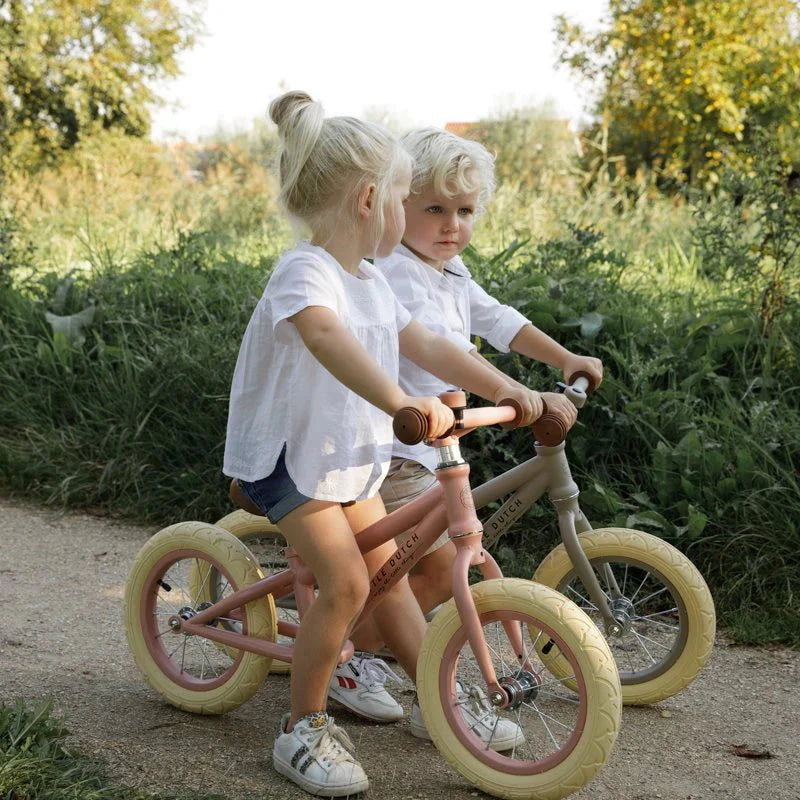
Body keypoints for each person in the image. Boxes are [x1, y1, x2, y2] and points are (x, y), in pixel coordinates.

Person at [223, 93, 541, 797]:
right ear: (371, 199)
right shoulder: (306, 274)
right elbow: (327, 339)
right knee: (347, 583)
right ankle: (302, 729)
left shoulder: (370, 280)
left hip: (343, 456)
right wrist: (401, 401)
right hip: (287, 460)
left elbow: (426, 342)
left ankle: (438, 696)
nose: (405, 211)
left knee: (389, 569)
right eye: (404, 196)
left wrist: (505, 386)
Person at [338, 127, 604, 731]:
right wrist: (512, 390)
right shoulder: (397, 272)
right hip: (396, 446)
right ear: (397, 206)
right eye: (434, 208)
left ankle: (366, 648)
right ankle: (353, 659)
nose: (451, 224)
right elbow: (436, 351)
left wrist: (563, 359)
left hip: (438, 445)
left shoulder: (450, 268)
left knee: (425, 567)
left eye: (464, 211)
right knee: (416, 569)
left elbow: (499, 319)